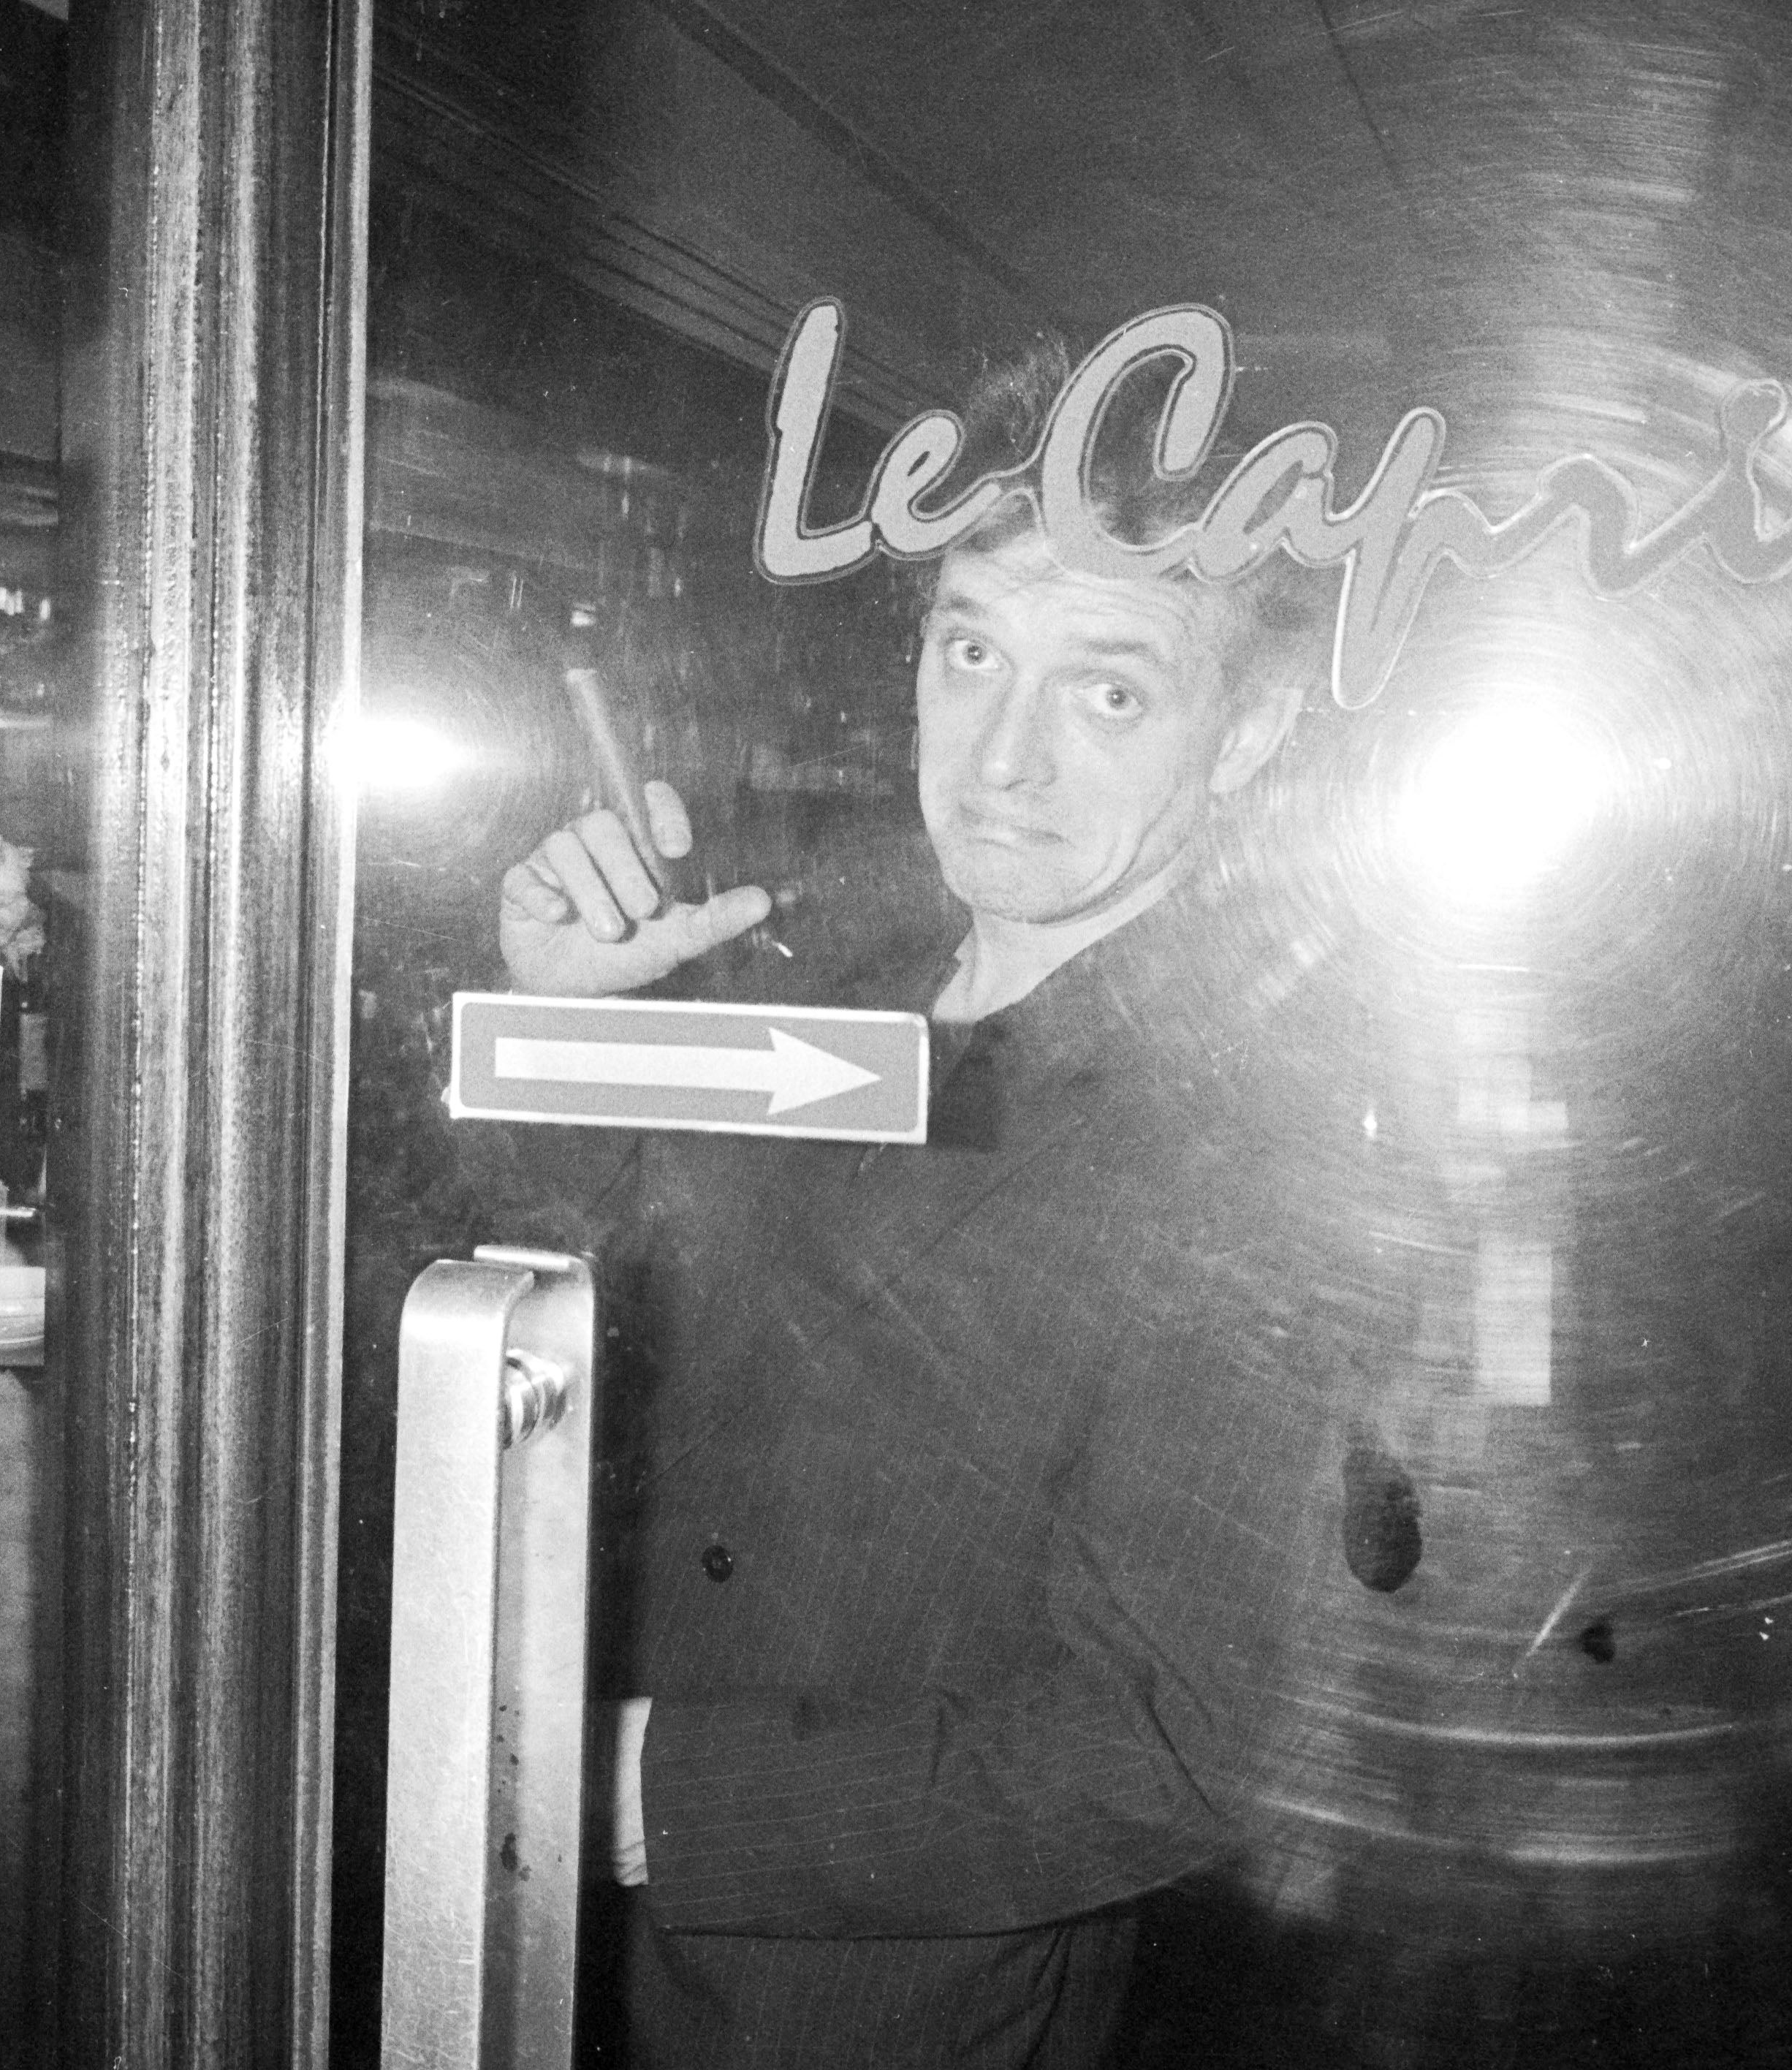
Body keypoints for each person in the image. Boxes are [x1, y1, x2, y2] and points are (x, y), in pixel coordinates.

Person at [490, 355, 1412, 2068]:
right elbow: (582, 1323)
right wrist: (564, 1035)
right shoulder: (829, 956)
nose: (1002, 755)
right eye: (972, 650)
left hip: (871, 2012)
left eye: (1111, 694)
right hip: (528, 1954)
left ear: (1254, 730)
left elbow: (1177, 1745)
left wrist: (632, 1792)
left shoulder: (1261, 1146)